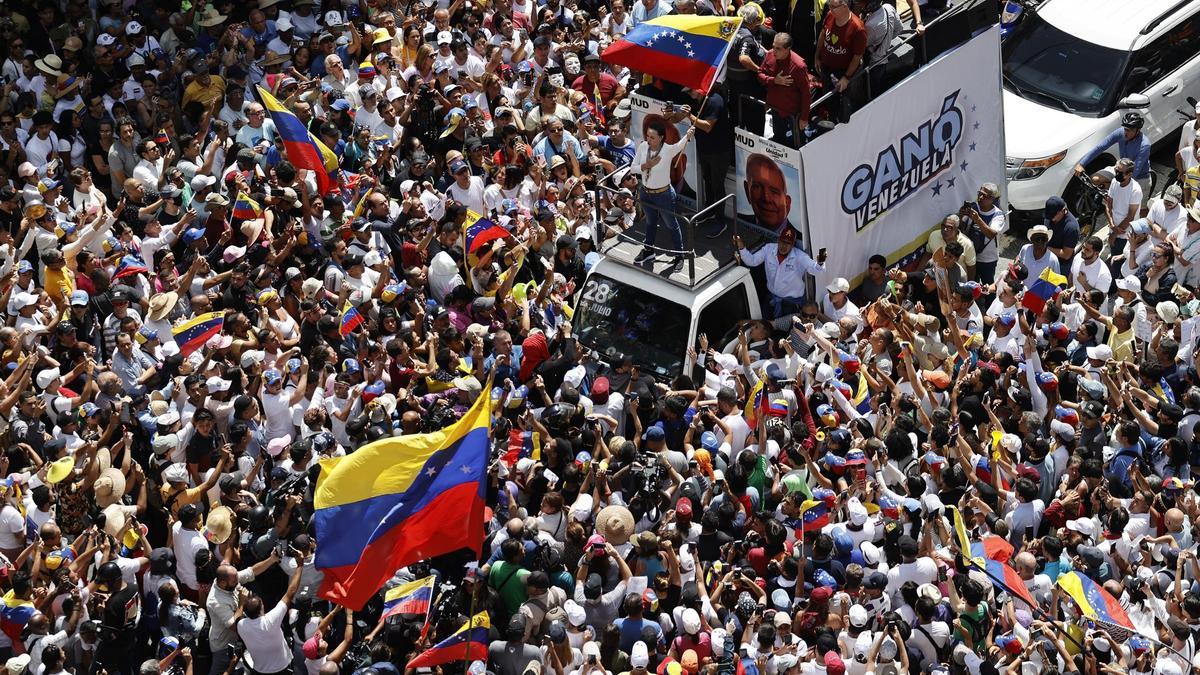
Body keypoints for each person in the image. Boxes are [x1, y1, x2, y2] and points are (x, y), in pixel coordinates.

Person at [632, 120, 695, 268]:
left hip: (663, 194)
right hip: (646, 192)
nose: (648, 140)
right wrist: (647, 165)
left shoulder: (667, 150)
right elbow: (633, 169)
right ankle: (648, 250)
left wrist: (688, 135)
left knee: (671, 225)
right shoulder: (642, 147)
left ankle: (679, 255)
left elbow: (680, 145)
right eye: (647, 136)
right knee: (650, 222)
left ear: (661, 138)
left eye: (652, 137)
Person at [733, 228, 826, 323]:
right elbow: (752, 261)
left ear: (792, 245)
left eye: (788, 243)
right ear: (778, 240)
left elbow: (816, 270)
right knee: (765, 325)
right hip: (771, 297)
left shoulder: (800, 256)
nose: (784, 246)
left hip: (791, 303)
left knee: (788, 330)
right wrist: (742, 247)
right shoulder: (768, 249)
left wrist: (820, 263)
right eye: (782, 241)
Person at [757, 33, 811, 149]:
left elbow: (806, 94)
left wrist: (804, 117)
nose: (774, 51)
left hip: (793, 113)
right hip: (776, 110)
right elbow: (760, 74)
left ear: (787, 49)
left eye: (778, 48)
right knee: (778, 138)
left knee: (798, 142)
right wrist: (773, 80)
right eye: (773, 46)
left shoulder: (798, 66)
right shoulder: (770, 55)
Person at [739, 153, 795, 236]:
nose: (766, 198)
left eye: (774, 192)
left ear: (787, 203)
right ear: (747, 191)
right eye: (757, 187)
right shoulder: (740, 222)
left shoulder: (801, 240)